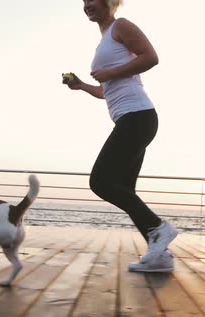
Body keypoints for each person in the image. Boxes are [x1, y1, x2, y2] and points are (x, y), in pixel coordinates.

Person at [65, 0, 177, 272]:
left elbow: (150, 57)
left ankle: (159, 229)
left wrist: (109, 72)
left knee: (101, 182)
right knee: (125, 189)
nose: (87, 4)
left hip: (138, 117)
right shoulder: (105, 39)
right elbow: (107, 91)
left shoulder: (121, 26)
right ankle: (159, 255)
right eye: (83, 0)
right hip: (133, 119)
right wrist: (82, 86)